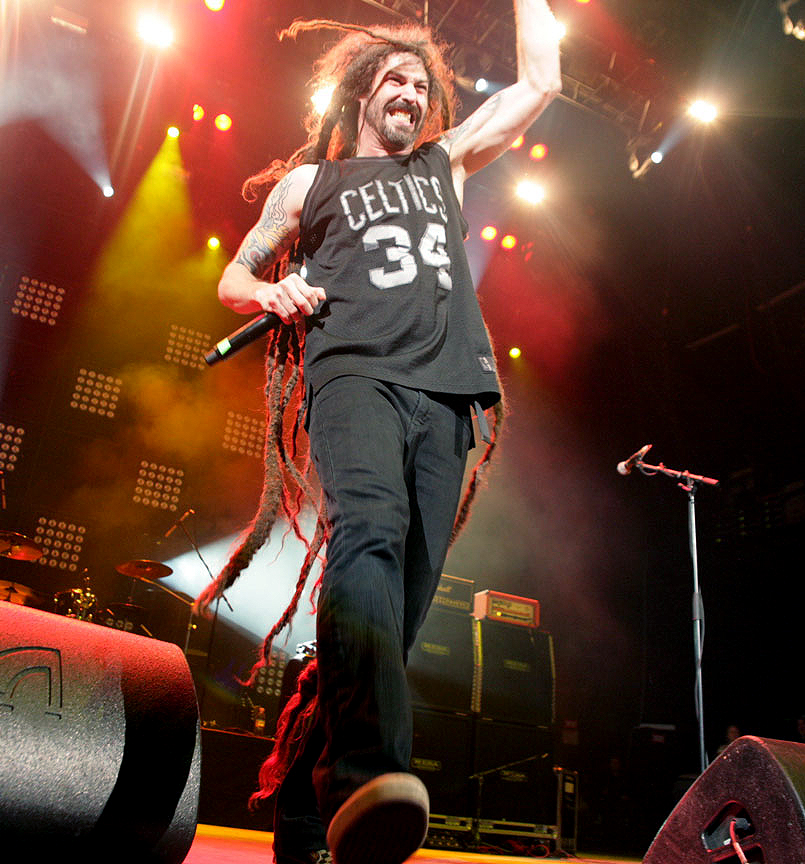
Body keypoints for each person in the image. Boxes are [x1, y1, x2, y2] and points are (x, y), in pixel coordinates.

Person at [204, 6, 561, 864]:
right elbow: (233, 277)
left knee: (396, 614)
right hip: (353, 375)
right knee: (367, 533)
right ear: (361, 93)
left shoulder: (448, 162)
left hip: (446, 393)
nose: (411, 92)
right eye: (394, 79)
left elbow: (542, 82)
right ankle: (371, 773)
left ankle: (303, 795)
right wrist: (270, 293)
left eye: (422, 86)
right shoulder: (308, 185)